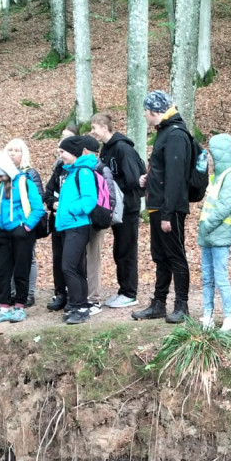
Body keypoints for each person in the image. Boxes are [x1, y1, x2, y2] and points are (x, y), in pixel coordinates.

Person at [132, 90, 195, 324]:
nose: (145, 118)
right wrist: (148, 179)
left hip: (171, 208)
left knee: (175, 256)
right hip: (158, 205)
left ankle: (182, 305)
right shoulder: (164, 132)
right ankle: (158, 304)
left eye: (146, 113)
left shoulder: (176, 135)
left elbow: (176, 178)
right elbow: (163, 170)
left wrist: (168, 213)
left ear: (155, 111)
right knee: (160, 256)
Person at [89, 113, 146, 309]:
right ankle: (124, 290)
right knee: (119, 250)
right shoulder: (106, 150)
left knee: (126, 250)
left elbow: (135, 179)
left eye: (94, 128)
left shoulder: (123, 148)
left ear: (105, 128)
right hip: (115, 209)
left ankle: (129, 293)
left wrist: (110, 183)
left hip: (128, 208)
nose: (92, 132)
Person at [0, 149, 45, 324]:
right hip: (3, 234)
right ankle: (4, 307)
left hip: (22, 234)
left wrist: (26, 227)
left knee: (21, 270)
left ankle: (20, 307)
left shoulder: (24, 182)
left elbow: (38, 209)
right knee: (1, 272)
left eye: (0, 175)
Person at [197, 134, 231, 333]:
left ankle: (230, 316)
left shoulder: (230, 177)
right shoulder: (216, 177)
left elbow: (224, 207)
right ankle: (208, 315)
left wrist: (207, 226)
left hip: (219, 235)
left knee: (220, 277)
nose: (211, 158)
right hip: (208, 236)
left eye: (213, 154)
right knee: (207, 277)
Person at [55, 134, 99, 325]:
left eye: (63, 152)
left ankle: (79, 307)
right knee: (76, 267)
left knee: (69, 267)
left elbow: (89, 200)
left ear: (73, 152)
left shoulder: (83, 172)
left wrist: (71, 210)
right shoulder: (72, 172)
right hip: (69, 225)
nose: (61, 155)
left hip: (77, 225)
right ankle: (78, 305)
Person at [43, 124, 78, 312]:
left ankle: (75, 296)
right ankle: (60, 293)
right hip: (57, 221)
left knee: (71, 261)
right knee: (58, 259)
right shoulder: (58, 169)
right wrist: (53, 203)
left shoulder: (79, 170)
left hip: (73, 223)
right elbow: (48, 193)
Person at [5, 138, 43, 307]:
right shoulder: (1, 174)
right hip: (7, 226)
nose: (12, 153)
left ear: (23, 154)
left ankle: (28, 293)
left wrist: (27, 224)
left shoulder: (31, 174)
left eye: (16, 150)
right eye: (10, 150)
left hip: (26, 225)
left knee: (29, 259)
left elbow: (38, 200)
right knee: (10, 260)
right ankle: (13, 293)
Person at [78, 134, 105, 316]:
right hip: (84, 220)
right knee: (84, 257)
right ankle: (83, 294)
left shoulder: (95, 169)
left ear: (86, 151)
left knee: (93, 257)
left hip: (95, 220)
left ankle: (94, 299)